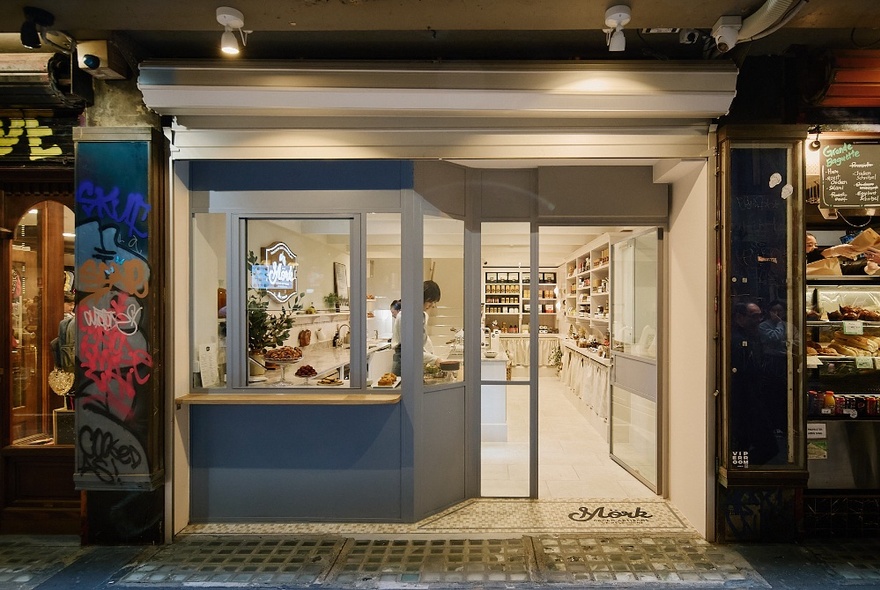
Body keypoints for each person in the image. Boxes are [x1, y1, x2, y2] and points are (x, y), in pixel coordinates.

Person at [729, 301, 779, 466]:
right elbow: (744, 374)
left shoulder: (751, 337)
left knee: (742, 446)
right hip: (746, 404)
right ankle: (743, 474)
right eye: (753, 316)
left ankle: (741, 473)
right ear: (740, 318)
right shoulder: (738, 341)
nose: (758, 320)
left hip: (748, 404)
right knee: (768, 447)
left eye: (760, 315)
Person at [391, 281, 442, 376]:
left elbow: (421, 345)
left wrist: (433, 357)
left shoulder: (423, 316)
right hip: (403, 364)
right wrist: (435, 359)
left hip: (415, 362)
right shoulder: (405, 316)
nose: (432, 305)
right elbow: (409, 351)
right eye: (430, 301)